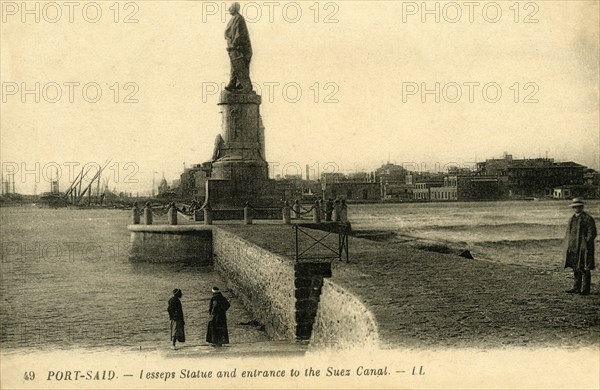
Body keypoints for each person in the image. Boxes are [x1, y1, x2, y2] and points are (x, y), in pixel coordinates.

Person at [564, 198, 596, 295]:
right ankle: (576, 287)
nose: (577, 208)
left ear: (582, 207)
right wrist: (568, 245)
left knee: (585, 266)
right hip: (573, 247)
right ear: (573, 208)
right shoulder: (572, 219)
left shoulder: (587, 218)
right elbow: (568, 233)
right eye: (575, 207)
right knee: (575, 266)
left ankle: (586, 289)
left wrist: (586, 242)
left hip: (584, 247)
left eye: (579, 207)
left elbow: (592, 232)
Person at [224, 2, 253, 92]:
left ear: (235, 9)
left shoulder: (239, 19)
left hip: (241, 49)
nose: (229, 9)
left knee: (240, 66)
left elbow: (239, 35)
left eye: (231, 8)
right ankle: (233, 84)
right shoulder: (234, 19)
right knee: (234, 66)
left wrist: (233, 45)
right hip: (235, 49)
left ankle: (244, 86)